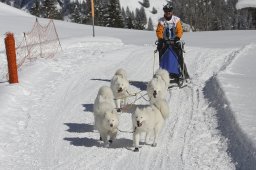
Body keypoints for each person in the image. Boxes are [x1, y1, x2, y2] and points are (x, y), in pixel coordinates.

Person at [156, 3, 190, 80]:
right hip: (164, 42)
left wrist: (177, 37)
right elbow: (159, 31)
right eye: (166, 11)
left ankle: (185, 74)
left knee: (179, 57)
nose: (168, 13)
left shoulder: (176, 20)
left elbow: (180, 30)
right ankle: (162, 75)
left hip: (175, 41)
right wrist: (160, 39)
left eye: (169, 11)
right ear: (164, 12)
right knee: (162, 58)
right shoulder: (161, 21)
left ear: (172, 11)